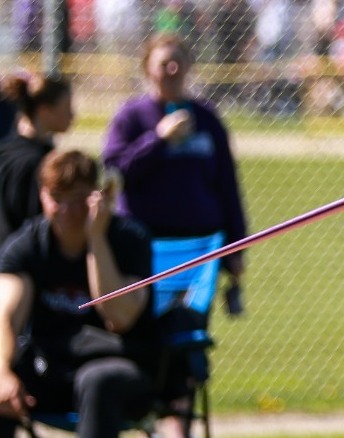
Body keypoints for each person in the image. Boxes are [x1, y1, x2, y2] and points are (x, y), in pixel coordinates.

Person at [0, 150, 158, 438]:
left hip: (124, 373)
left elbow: (119, 316)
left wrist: (96, 238)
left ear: (97, 197)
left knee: (98, 379)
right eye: (57, 197)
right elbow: (6, 315)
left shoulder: (129, 240)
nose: (66, 209)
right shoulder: (28, 245)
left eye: (78, 198)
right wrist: (3, 373)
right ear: (42, 195)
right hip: (53, 373)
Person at [102, 35, 249, 318]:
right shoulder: (131, 117)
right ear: (147, 69)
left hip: (200, 249)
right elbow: (116, 173)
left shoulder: (207, 119)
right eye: (164, 64)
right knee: (144, 328)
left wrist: (236, 246)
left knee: (189, 331)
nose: (172, 71)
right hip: (145, 247)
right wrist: (158, 140)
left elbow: (227, 185)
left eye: (178, 63)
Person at [0, 72, 73, 247]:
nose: (72, 115)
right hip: (16, 261)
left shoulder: (5, 151)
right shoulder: (37, 162)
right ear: (44, 111)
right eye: (67, 107)